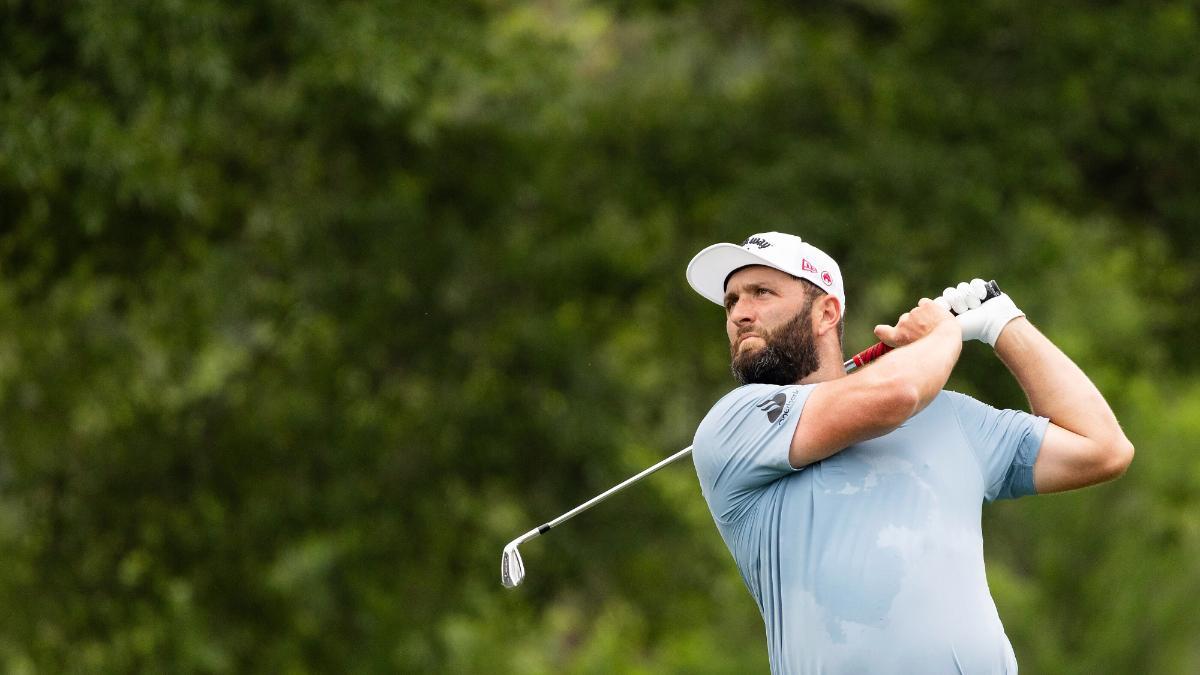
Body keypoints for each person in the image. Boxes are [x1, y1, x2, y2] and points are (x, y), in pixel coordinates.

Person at [684, 232, 1134, 674]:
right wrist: (944, 334)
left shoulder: (950, 416)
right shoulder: (734, 424)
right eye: (731, 301)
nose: (740, 313)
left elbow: (1102, 449)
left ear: (826, 312)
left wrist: (1004, 324)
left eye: (761, 293)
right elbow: (897, 394)